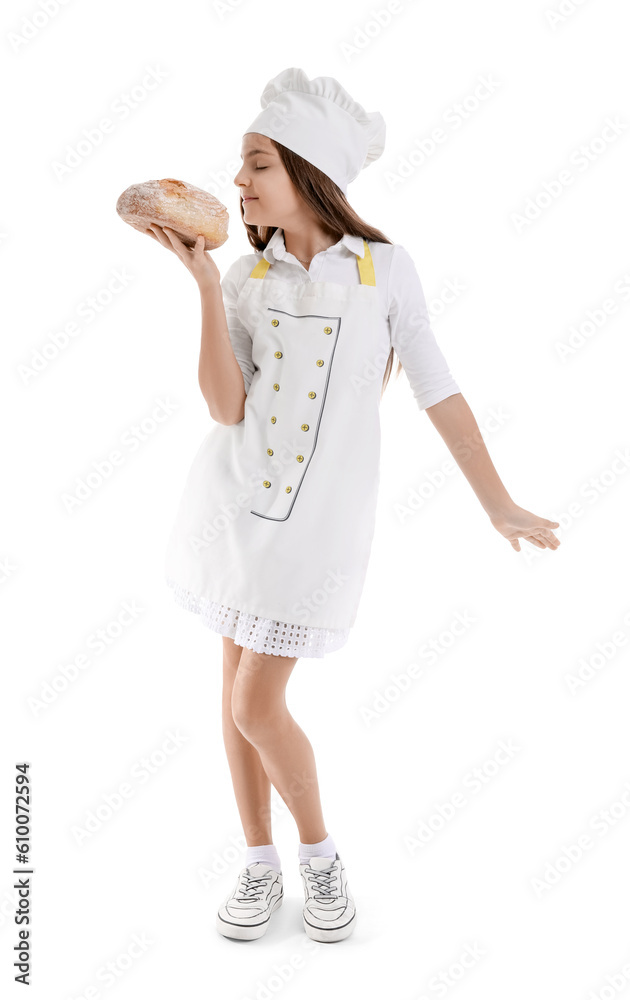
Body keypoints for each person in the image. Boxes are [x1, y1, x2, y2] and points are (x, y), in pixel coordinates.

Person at [144, 68, 561, 944]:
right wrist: (201, 285)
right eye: (241, 166)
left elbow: (438, 390)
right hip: (235, 508)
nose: (239, 181)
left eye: (256, 164)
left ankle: (321, 855)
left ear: (308, 170)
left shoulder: (384, 270)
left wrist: (499, 503)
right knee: (233, 699)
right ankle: (259, 865)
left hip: (319, 531)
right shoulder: (246, 279)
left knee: (258, 706)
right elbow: (226, 408)